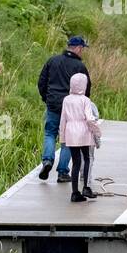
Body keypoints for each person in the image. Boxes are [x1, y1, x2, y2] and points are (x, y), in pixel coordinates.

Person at [37, 36, 91, 182]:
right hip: (71, 108)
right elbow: (86, 89)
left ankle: (47, 161)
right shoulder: (79, 67)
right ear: (78, 48)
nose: (82, 52)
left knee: (50, 133)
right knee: (67, 139)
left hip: (53, 104)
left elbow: (41, 82)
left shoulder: (52, 60)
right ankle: (62, 172)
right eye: (82, 49)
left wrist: (47, 99)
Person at [59, 72, 102, 202]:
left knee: (76, 162)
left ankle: (75, 192)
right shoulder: (85, 100)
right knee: (87, 158)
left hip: (70, 132)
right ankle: (86, 187)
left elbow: (63, 119)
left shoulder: (66, 100)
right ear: (84, 85)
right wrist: (97, 132)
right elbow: (89, 119)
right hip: (83, 131)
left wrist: (62, 137)